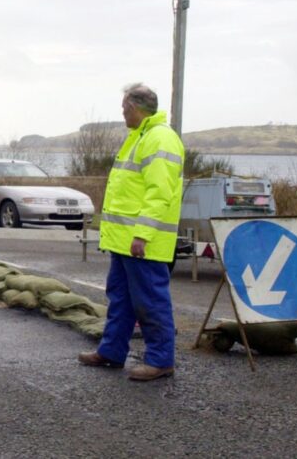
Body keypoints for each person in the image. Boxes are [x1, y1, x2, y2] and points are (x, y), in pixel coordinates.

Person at [78, 83, 184, 381]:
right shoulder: (140, 137)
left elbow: (158, 192)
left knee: (150, 300)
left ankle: (161, 359)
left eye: (124, 108)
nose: (123, 113)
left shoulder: (159, 139)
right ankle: (112, 350)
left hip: (143, 242)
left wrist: (143, 234)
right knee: (122, 299)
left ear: (134, 108)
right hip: (125, 241)